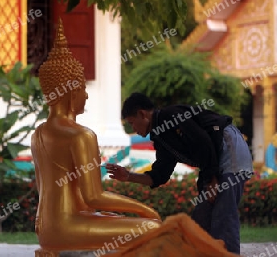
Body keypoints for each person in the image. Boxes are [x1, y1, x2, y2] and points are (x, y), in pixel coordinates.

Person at [31, 21, 161, 255]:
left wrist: (97, 216)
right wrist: (144, 210)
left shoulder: (38, 133)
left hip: (46, 230)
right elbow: (93, 196)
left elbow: (46, 189)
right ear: (71, 91)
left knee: (116, 219)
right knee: (152, 226)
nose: (87, 95)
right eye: (82, 88)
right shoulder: (81, 135)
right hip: (69, 228)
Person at [106, 92, 253, 254]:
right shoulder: (161, 139)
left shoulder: (171, 116)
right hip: (214, 163)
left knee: (223, 216)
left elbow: (203, 141)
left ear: (142, 114)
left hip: (228, 148)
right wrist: (128, 176)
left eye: (132, 123)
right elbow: (159, 176)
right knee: (200, 221)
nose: (132, 128)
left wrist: (212, 178)